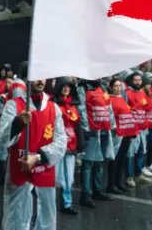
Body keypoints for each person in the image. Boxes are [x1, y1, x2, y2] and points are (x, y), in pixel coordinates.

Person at [0, 78, 67, 230]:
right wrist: (18, 124)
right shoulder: (14, 105)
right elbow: (1, 138)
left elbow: (61, 142)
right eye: (35, 76)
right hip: (20, 180)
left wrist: (38, 157)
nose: (39, 80)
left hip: (44, 178)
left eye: (43, 77)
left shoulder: (53, 108)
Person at [77, 78, 113, 208]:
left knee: (100, 161)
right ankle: (86, 194)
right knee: (88, 163)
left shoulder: (102, 88)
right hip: (92, 130)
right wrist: (86, 128)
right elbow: (81, 109)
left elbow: (108, 107)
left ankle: (97, 190)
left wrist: (112, 125)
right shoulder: (82, 88)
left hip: (103, 130)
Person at [107, 76, 139, 193]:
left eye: (120, 86)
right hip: (117, 134)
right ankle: (111, 184)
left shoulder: (122, 98)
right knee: (114, 159)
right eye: (116, 86)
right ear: (111, 87)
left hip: (126, 133)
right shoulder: (109, 99)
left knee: (122, 159)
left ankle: (118, 182)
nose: (118, 88)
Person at [54, 77, 81, 215]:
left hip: (71, 145)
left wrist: (81, 143)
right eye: (63, 86)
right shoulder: (53, 105)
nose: (66, 89)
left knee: (69, 177)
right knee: (56, 176)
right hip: (56, 145)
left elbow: (78, 126)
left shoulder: (74, 106)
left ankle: (67, 203)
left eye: (68, 86)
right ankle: (51, 203)